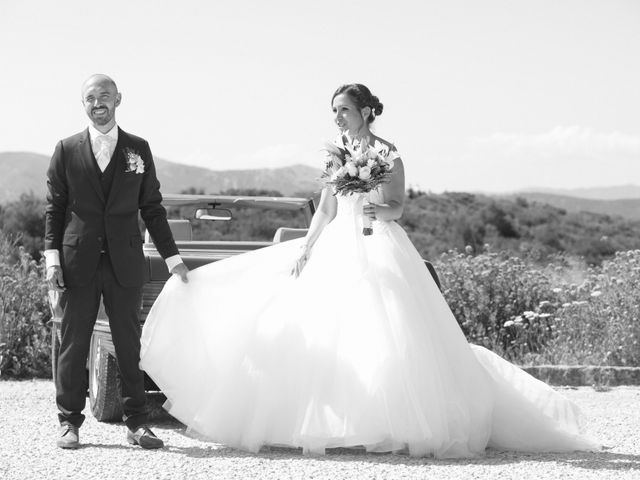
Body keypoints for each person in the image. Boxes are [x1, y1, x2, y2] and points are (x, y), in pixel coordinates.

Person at [139, 84, 600, 457]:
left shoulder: (387, 153)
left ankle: (387, 423)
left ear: (364, 110)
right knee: (322, 331)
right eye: (333, 111)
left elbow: (399, 207)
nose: (337, 117)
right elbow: (323, 209)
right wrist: (309, 247)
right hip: (336, 245)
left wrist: (372, 208)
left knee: (386, 330)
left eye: (343, 109)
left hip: (377, 244)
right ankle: (322, 423)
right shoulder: (335, 154)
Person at [45, 74, 189, 450]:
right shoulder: (65, 149)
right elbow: (54, 210)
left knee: (129, 344)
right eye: (91, 97)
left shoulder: (138, 149)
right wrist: (52, 260)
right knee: (73, 345)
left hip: (125, 262)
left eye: (105, 96)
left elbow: (152, 209)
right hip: (78, 262)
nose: (98, 103)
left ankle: (137, 423)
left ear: (118, 99)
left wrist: (173, 258)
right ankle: (69, 423)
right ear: (83, 104)